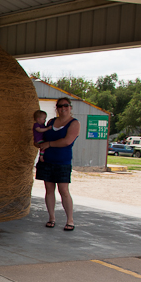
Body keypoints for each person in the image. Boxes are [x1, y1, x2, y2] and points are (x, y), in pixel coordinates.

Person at [35, 98, 80, 231]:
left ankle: (70, 219)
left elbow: (67, 141)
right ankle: (51, 217)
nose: (63, 108)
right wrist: (39, 142)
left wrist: (48, 144)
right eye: (60, 106)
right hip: (47, 160)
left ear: (70, 107)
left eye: (65, 105)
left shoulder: (74, 123)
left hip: (62, 161)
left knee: (64, 190)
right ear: (57, 108)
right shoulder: (51, 122)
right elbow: (43, 136)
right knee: (49, 190)